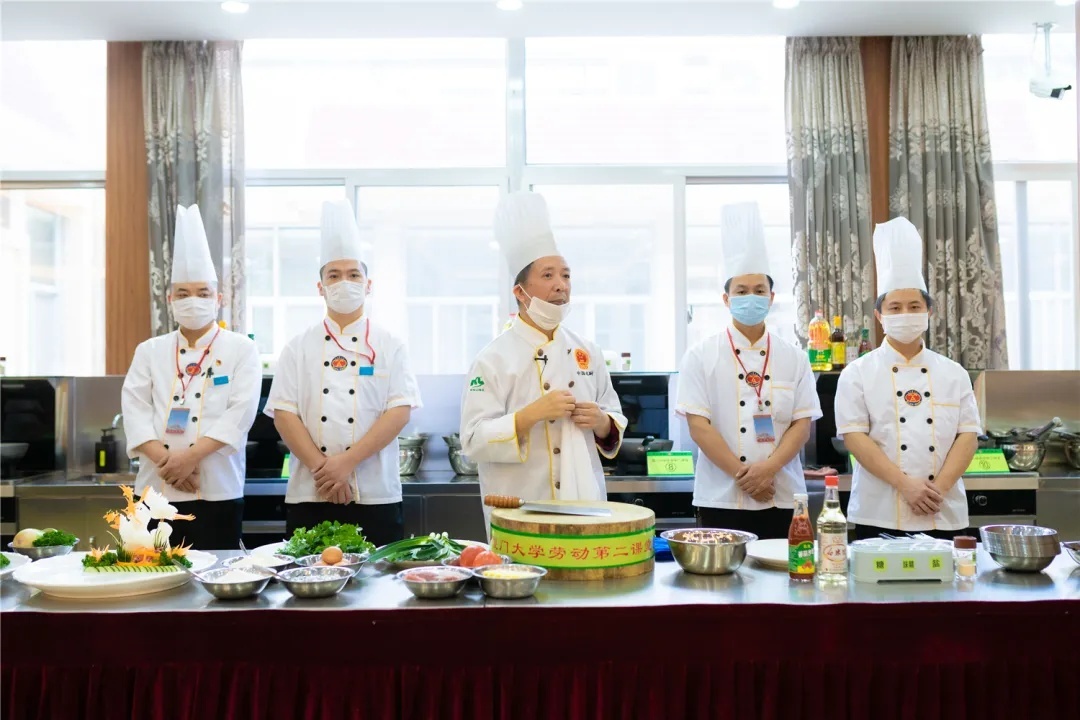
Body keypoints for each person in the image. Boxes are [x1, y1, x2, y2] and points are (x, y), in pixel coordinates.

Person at [460, 191, 627, 530]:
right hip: (520, 509)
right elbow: (473, 441)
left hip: (584, 508)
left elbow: (613, 419)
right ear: (519, 292)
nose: (561, 285)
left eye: (566, 275)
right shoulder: (492, 359)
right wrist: (529, 415)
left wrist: (601, 421)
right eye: (548, 276)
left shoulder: (588, 352)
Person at [265, 199, 421, 547]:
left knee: (377, 577)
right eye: (333, 275)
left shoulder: (390, 343)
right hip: (311, 490)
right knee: (308, 573)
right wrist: (324, 470)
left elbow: (399, 410)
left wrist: (346, 463)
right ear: (320, 287)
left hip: (375, 492)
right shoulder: (298, 346)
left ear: (368, 284)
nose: (344, 282)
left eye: (353, 275)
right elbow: (284, 414)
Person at [676, 202, 822, 539]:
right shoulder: (700, 355)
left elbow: (801, 425)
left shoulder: (794, 356)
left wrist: (767, 470)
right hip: (721, 495)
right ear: (726, 299)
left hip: (781, 492)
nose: (750, 297)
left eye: (759, 290)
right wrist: (745, 476)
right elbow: (699, 427)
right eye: (741, 291)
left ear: (772, 297)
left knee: (783, 569)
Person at [121, 205, 261, 550]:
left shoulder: (241, 349)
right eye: (182, 294)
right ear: (169, 299)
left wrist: (189, 459)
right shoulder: (150, 350)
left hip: (217, 486)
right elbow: (135, 410)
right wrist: (170, 463)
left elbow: (240, 414)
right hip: (155, 486)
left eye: (203, 293)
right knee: (151, 572)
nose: (193, 301)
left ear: (219, 299)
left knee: (217, 570)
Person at [835, 217, 980, 540]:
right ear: (879, 316)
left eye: (914, 306)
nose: (905, 314)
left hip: (941, 508)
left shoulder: (953, 372)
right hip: (880, 510)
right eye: (895, 307)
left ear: (929, 312)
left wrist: (937, 489)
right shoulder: (857, 373)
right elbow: (855, 438)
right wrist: (906, 486)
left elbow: (968, 435)